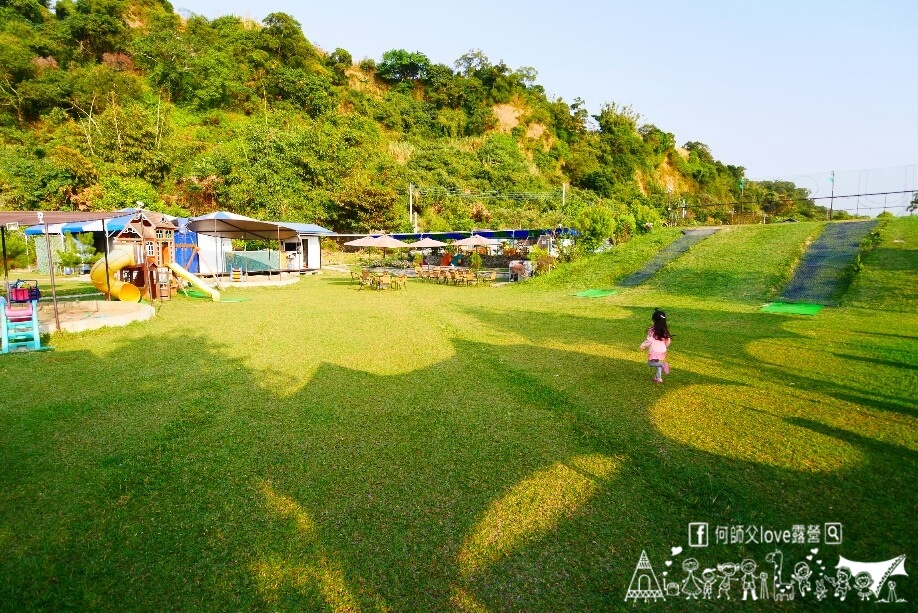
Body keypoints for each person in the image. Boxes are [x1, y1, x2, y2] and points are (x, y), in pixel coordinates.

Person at [640, 308, 671, 383]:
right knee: (657, 363)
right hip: (662, 350)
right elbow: (668, 340)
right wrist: (665, 346)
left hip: (655, 351)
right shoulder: (664, 330)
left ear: (654, 320)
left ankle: (663, 365)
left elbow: (649, 340)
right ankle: (659, 378)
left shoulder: (652, 330)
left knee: (651, 363)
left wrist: (642, 346)